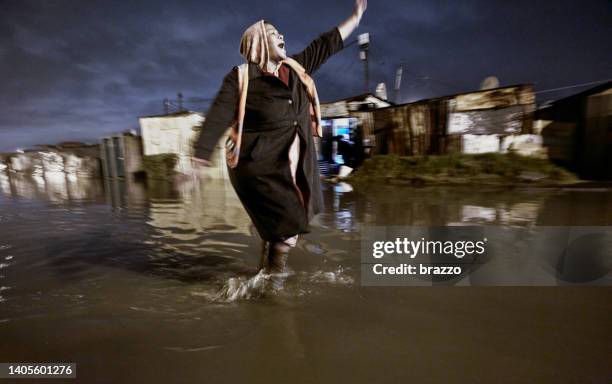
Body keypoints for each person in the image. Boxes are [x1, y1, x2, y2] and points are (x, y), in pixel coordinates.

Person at [192, 0, 367, 285]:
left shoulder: (297, 68)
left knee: (282, 226)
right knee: (288, 228)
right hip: (258, 166)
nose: (281, 36)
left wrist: (355, 17)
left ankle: (262, 277)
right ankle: (272, 284)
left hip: (294, 163)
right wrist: (199, 159)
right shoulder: (241, 78)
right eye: (273, 33)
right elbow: (218, 115)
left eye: (280, 33)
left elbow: (327, 44)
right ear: (258, 42)